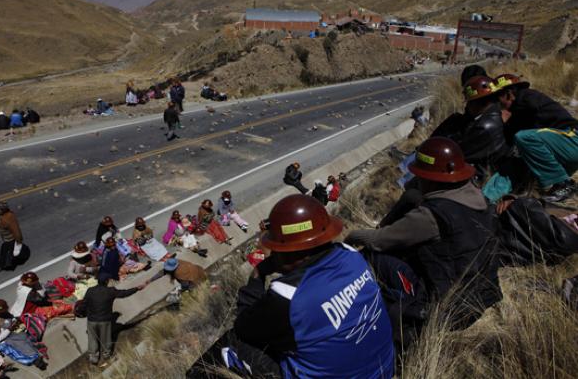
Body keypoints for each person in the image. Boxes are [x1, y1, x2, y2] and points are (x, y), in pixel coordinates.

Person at [215, 194, 394, 378]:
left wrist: (257, 276)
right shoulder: (351, 255)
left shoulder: (288, 296)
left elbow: (244, 326)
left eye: (277, 248)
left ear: (290, 252)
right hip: (384, 369)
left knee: (231, 344)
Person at [345, 137, 502, 334]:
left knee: (374, 257)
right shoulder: (478, 199)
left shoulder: (432, 216)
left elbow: (379, 241)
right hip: (480, 298)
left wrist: (352, 236)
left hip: (447, 311)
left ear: (429, 178)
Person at [495, 73, 578, 202]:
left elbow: (530, 109)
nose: (497, 103)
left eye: (497, 98)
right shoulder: (523, 109)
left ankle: (563, 184)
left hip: (572, 139)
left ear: (508, 94)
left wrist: (507, 119)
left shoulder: (526, 97)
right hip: (563, 147)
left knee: (524, 138)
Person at [83, 273, 146, 365]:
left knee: (92, 338)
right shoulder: (110, 291)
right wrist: (136, 289)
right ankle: (106, 354)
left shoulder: (90, 291)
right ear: (106, 281)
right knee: (106, 338)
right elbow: (124, 293)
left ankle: (94, 357)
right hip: (104, 320)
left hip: (91, 320)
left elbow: (84, 303)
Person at [0, 299, 47, 370]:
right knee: (21, 342)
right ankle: (35, 359)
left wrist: (15, 321)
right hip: (4, 340)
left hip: (11, 332)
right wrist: (9, 329)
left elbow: (11, 319)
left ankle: (35, 352)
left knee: (27, 332)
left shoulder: (3, 315)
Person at [0, 201, 24, 272]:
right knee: (7, 251)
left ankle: (2, 266)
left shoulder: (10, 217)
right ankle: (5, 264)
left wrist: (19, 240)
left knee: (5, 251)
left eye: (0, 208)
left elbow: (16, 230)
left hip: (11, 239)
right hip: (5, 238)